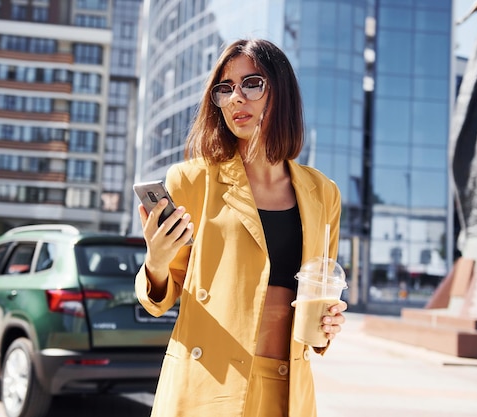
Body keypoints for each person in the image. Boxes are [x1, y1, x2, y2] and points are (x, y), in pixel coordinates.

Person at [135, 38, 347, 417]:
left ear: (280, 91)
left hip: (288, 387)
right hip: (207, 384)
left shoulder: (323, 193)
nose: (236, 98)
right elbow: (159, 298)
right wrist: (156, 261)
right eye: (225, 88)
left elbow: (322, 283)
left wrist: (327, 323)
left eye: (252, 84)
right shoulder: (191, 180)